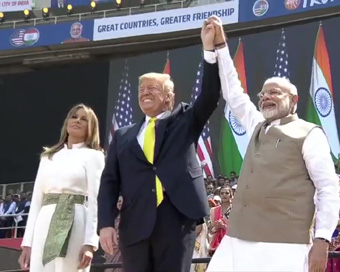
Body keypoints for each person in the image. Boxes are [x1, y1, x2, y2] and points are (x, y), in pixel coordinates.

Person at [205, 16, 340, 272]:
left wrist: (322, 240)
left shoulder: (310, 134)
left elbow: (327, 189)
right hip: (238, 240)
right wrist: (221, 47)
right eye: (264, 93)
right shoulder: (257, 124)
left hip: (284, 246)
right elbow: (233, 93)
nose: (267, 97)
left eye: (275, 92)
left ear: (294, 100)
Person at [97, 21, 221, 272]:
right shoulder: (123, 136)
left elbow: (209, 96)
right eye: (141, 90)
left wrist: (209, 49)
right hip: (135, 222)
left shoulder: (185, 121)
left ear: (168, 97)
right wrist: (106, 223)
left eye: (152, 88)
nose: (144, 93)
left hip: (176, 218)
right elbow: (109, 183)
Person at [18, 104, 105, 271]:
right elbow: (36, 200)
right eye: (74, 116)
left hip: (75, 217)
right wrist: (27, 244)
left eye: (84, 119)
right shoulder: (48, 157)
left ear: (91, 127)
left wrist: (90, 243)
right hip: (45, 220)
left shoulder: (94, 156)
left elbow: (95, 201)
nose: (77, 121)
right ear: (67, 122)